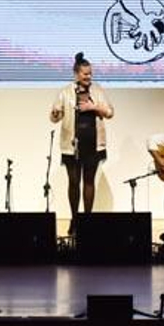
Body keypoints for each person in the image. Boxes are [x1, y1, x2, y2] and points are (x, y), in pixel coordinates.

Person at [50, 52, 114, 231]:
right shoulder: (65, 92)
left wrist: (93, 106)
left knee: (88, 181)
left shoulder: (98, 90)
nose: (89, 76)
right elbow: (55, 117)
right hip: (72, 145)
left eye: (90, 73)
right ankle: (75, 219)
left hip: (93, 143)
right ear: (77, 74)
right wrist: (55, 113)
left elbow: (110, 112)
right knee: (73, 181)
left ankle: (87, 220)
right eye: (85, 73)